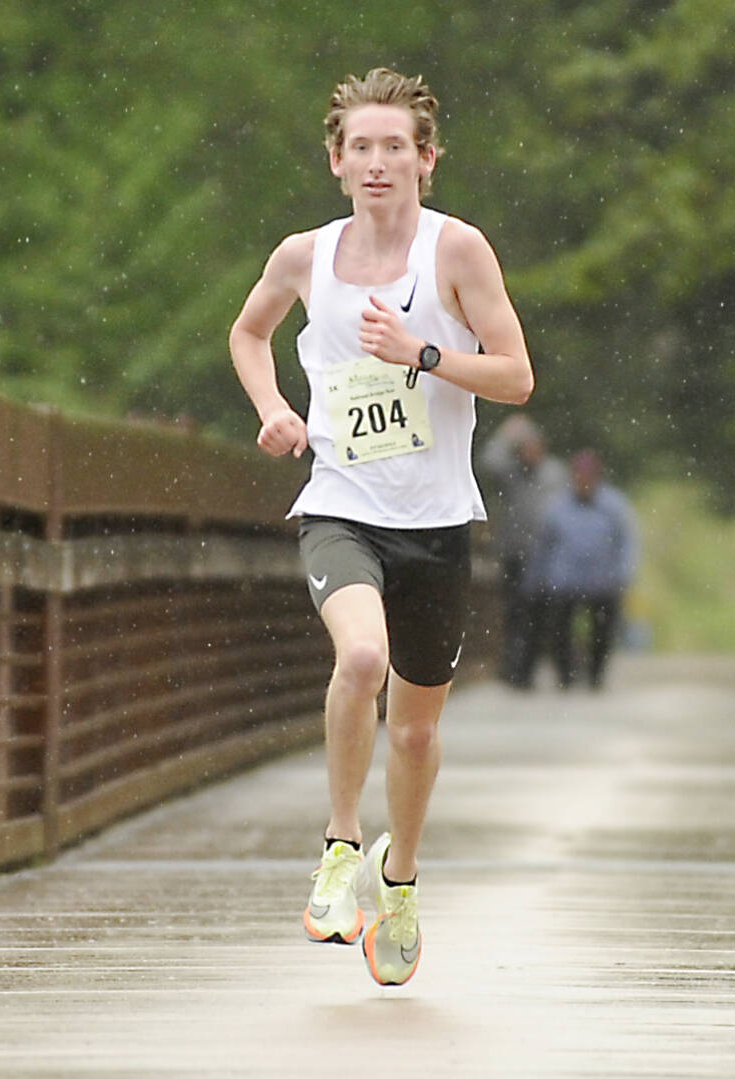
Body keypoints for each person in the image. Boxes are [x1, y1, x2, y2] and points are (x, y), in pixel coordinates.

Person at [228, 68, 533, 986]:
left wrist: (425, 353)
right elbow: (248, 334)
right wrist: (272, 408)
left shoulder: (458, 252)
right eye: (359, 147)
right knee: (359, 661)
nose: (376, 163)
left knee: (414, 730)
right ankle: (338, 845)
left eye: (394, 146)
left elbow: (517, 377)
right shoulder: (303, 256)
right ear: (336, 160)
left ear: (425, 160)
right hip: (339, 508)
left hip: (436, 522)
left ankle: (397, 880)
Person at [529, 450, 638, 690]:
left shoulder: (615, 506)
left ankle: (596, 676)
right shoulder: (556, 506)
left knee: (603, 632)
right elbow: (543, 544)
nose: (584, 482)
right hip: (564, 579)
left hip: (604, 580)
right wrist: (539, 577)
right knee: (560, 632)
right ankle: (565, 677)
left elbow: (627, 543)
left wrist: (624, 573)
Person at [477, 414, 568, 689]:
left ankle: (559, 672)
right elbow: (487, 461)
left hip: (548, 557)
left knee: (549, 615)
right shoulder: (513, 472)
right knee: (517, 614)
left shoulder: (555, 473)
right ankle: (518, 672)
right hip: (516, 554)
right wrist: (507, 434)